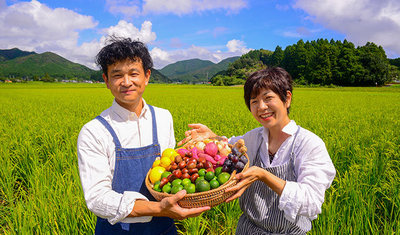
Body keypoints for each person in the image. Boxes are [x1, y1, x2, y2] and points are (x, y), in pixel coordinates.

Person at [178, 67, 336, 234]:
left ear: (287, 98)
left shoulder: (308, 144)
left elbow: (311, 202)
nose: (261, 107)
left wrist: (264, 175)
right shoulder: (254, 138)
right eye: (254, 101)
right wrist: (213, 137)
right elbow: (231, 146)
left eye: (268, 98)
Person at [77, 37, 209, 235]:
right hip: (116, 230)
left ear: (146, 76)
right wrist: (158, 209)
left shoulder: (163, 117)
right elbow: (97, 198)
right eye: (117, 75)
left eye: (133, 73)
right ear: (106, 80)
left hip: (163, 228)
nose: (126, 82)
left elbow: (170, 168)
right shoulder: (94, 131)